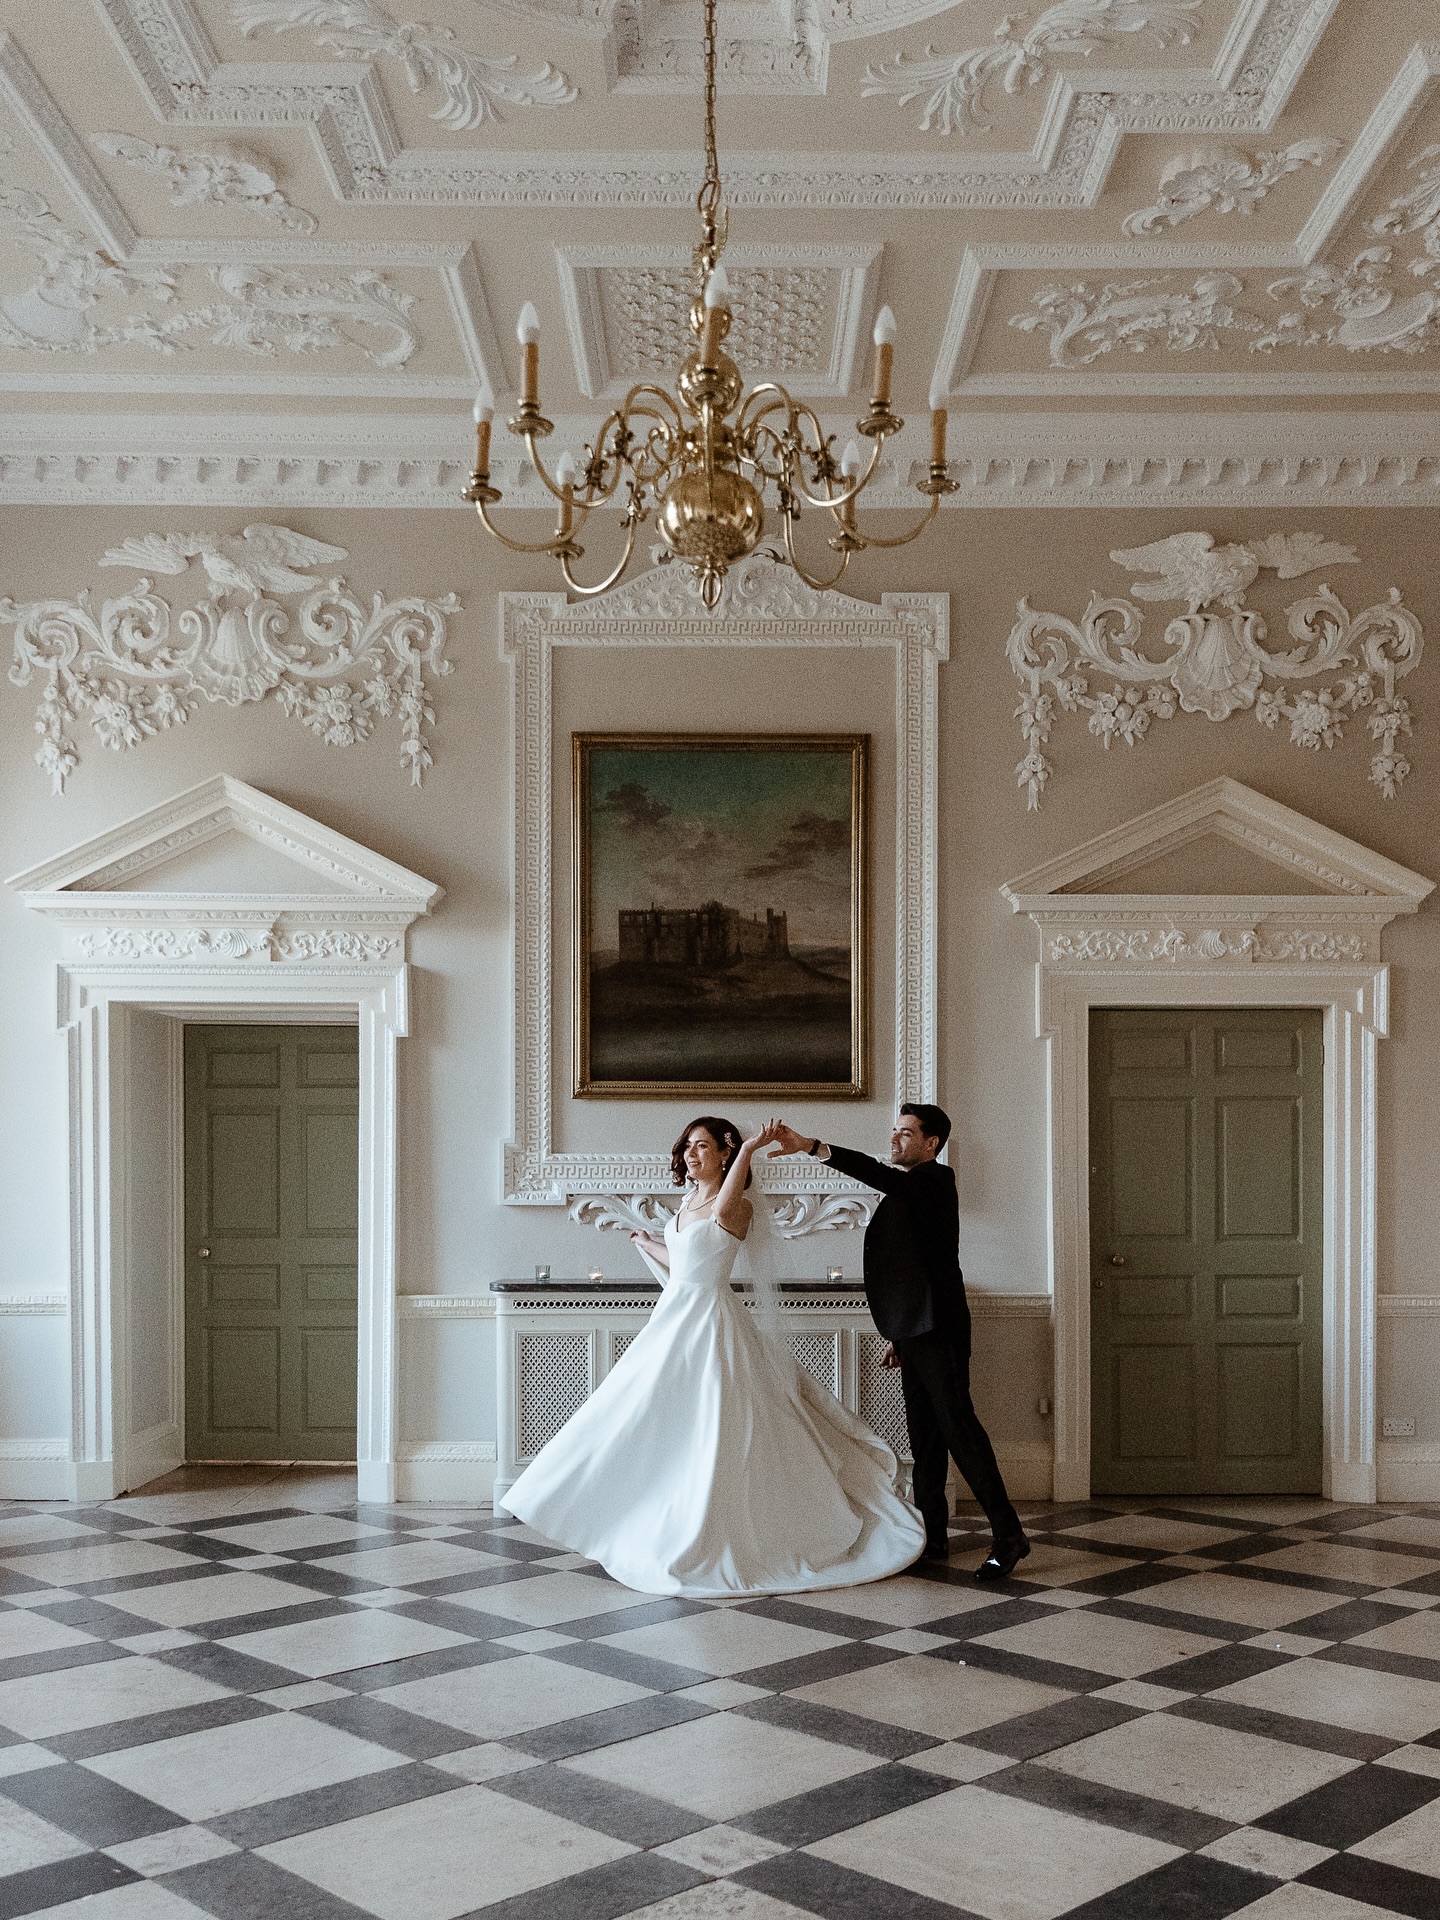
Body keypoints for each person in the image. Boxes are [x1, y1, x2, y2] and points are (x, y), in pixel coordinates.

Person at [500, 1116, 926, 1596]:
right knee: (631, 1416)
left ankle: (716, 1532)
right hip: (677, 1320)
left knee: (716, 1425)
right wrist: (648, 1242)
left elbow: (718, 1232)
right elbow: (686, 1262)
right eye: (686, 1146)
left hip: (711, 1322)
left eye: (701, 1146)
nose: (690, 1154)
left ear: (724, 1153)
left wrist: (750, 1149)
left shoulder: (736, 1205)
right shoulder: (687, 1204)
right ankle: (610, 1511)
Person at [769, 1107, 1030, 1581]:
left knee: (960, 1431)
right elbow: (914, 1267)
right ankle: (934, 1539)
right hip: (916, 1331)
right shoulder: (913, 1191)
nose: (895, 1139)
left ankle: (1009, 1534)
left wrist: (812, 1147)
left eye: (906, 1133)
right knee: (926, 1438)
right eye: (894, 1131)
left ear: (931, 1143)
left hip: (939, 1330)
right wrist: (900, 1333)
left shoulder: (935, 1180)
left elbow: (878, 1175)